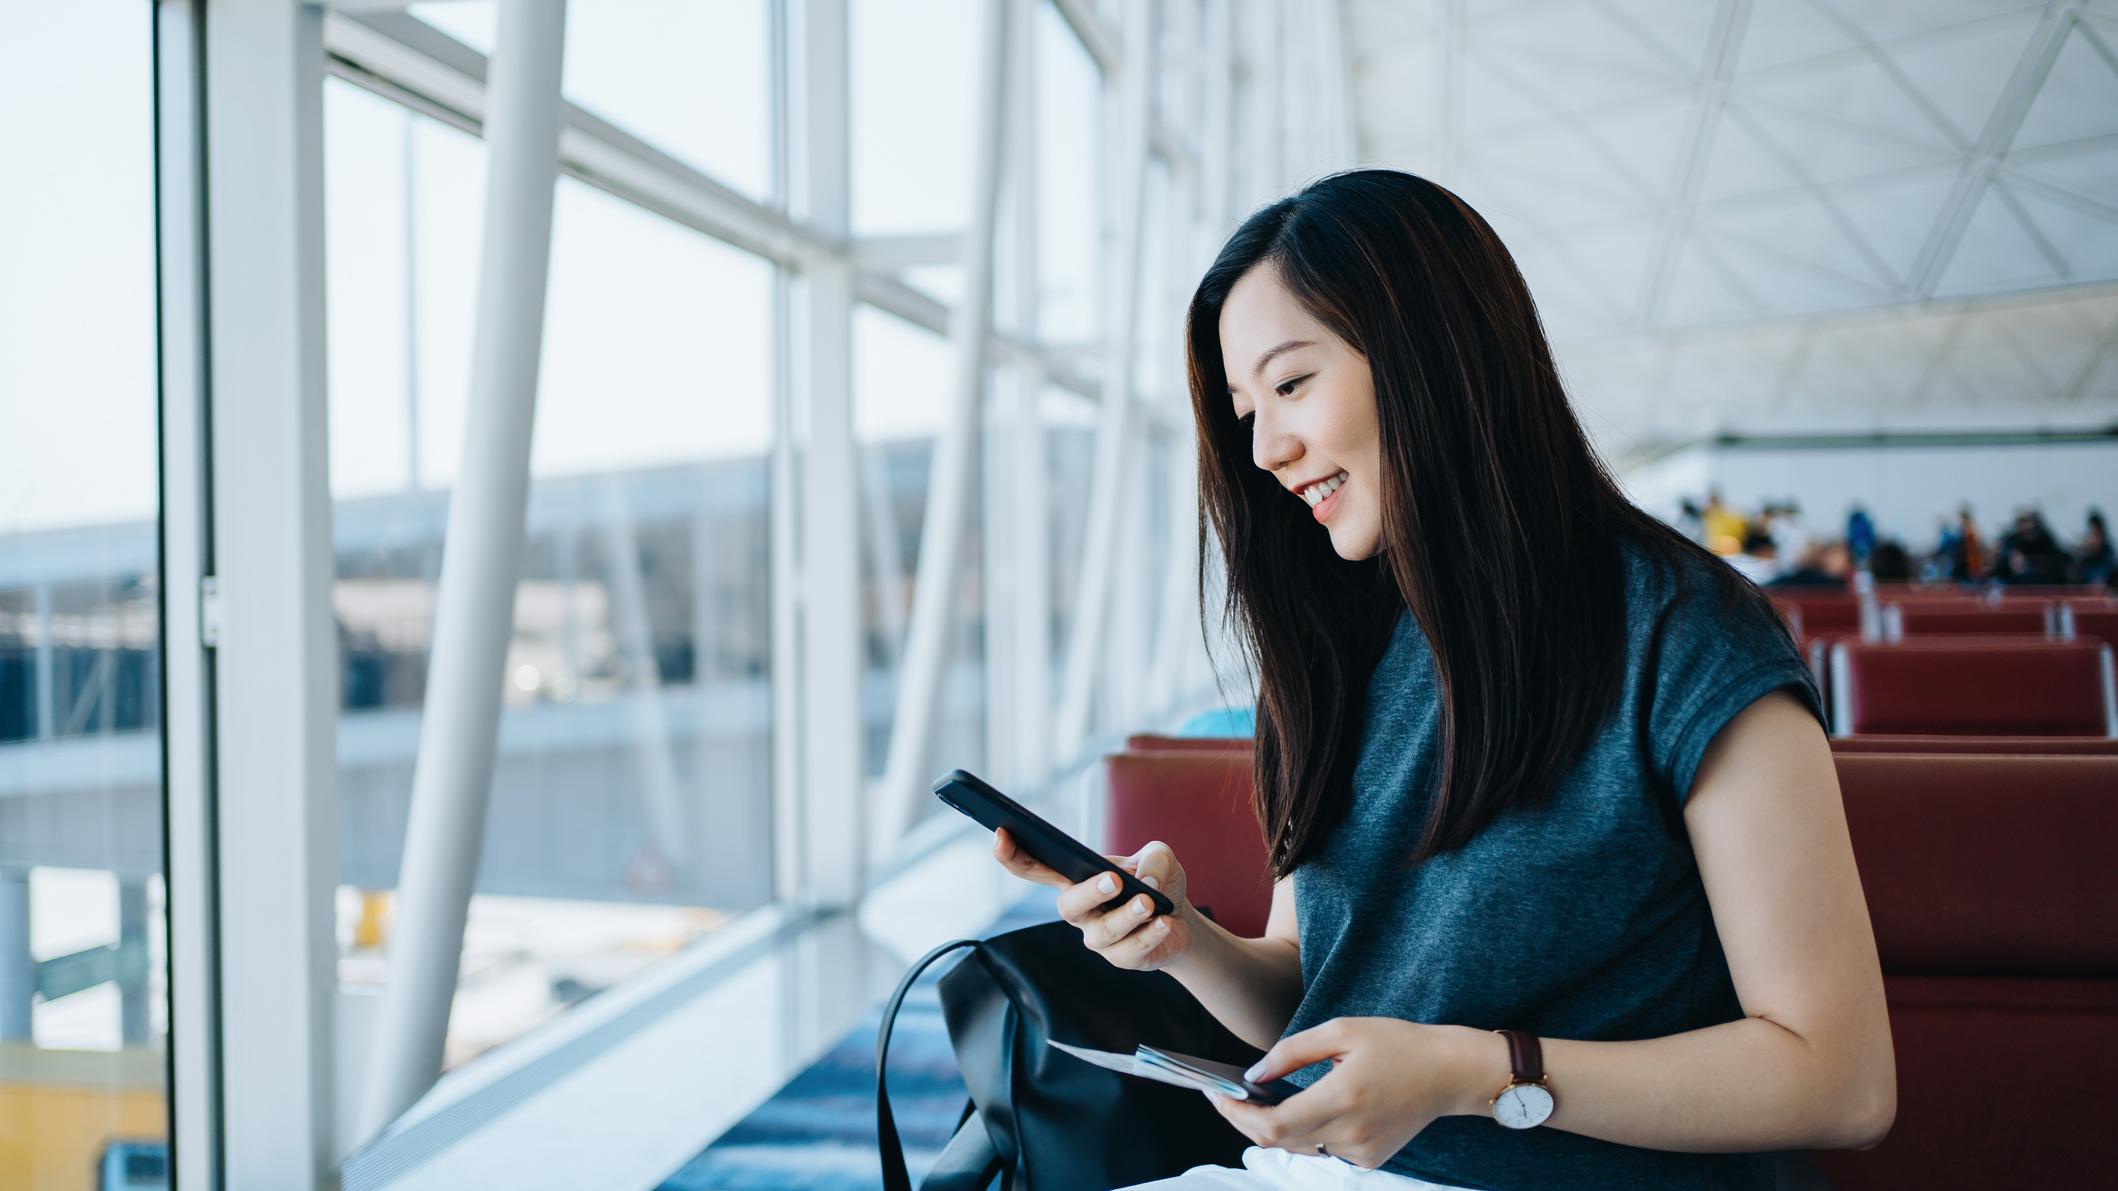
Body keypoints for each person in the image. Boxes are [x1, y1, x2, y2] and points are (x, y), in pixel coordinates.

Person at [991, 171, 1893, 1190]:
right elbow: (1317, 991)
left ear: (1432, 353)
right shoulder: (1332, 652)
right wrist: (1180, 944)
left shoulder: (1687, 635)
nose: (1266, 450)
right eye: (1245, 410)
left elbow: (1842, 1080)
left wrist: (1477, 1075)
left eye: (1290, 385)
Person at [2072, 509, 2112, 586]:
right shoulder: (2085, 556)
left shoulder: (2108, 555)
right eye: (2091, 534)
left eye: (2096, 535)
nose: (2093, 540)